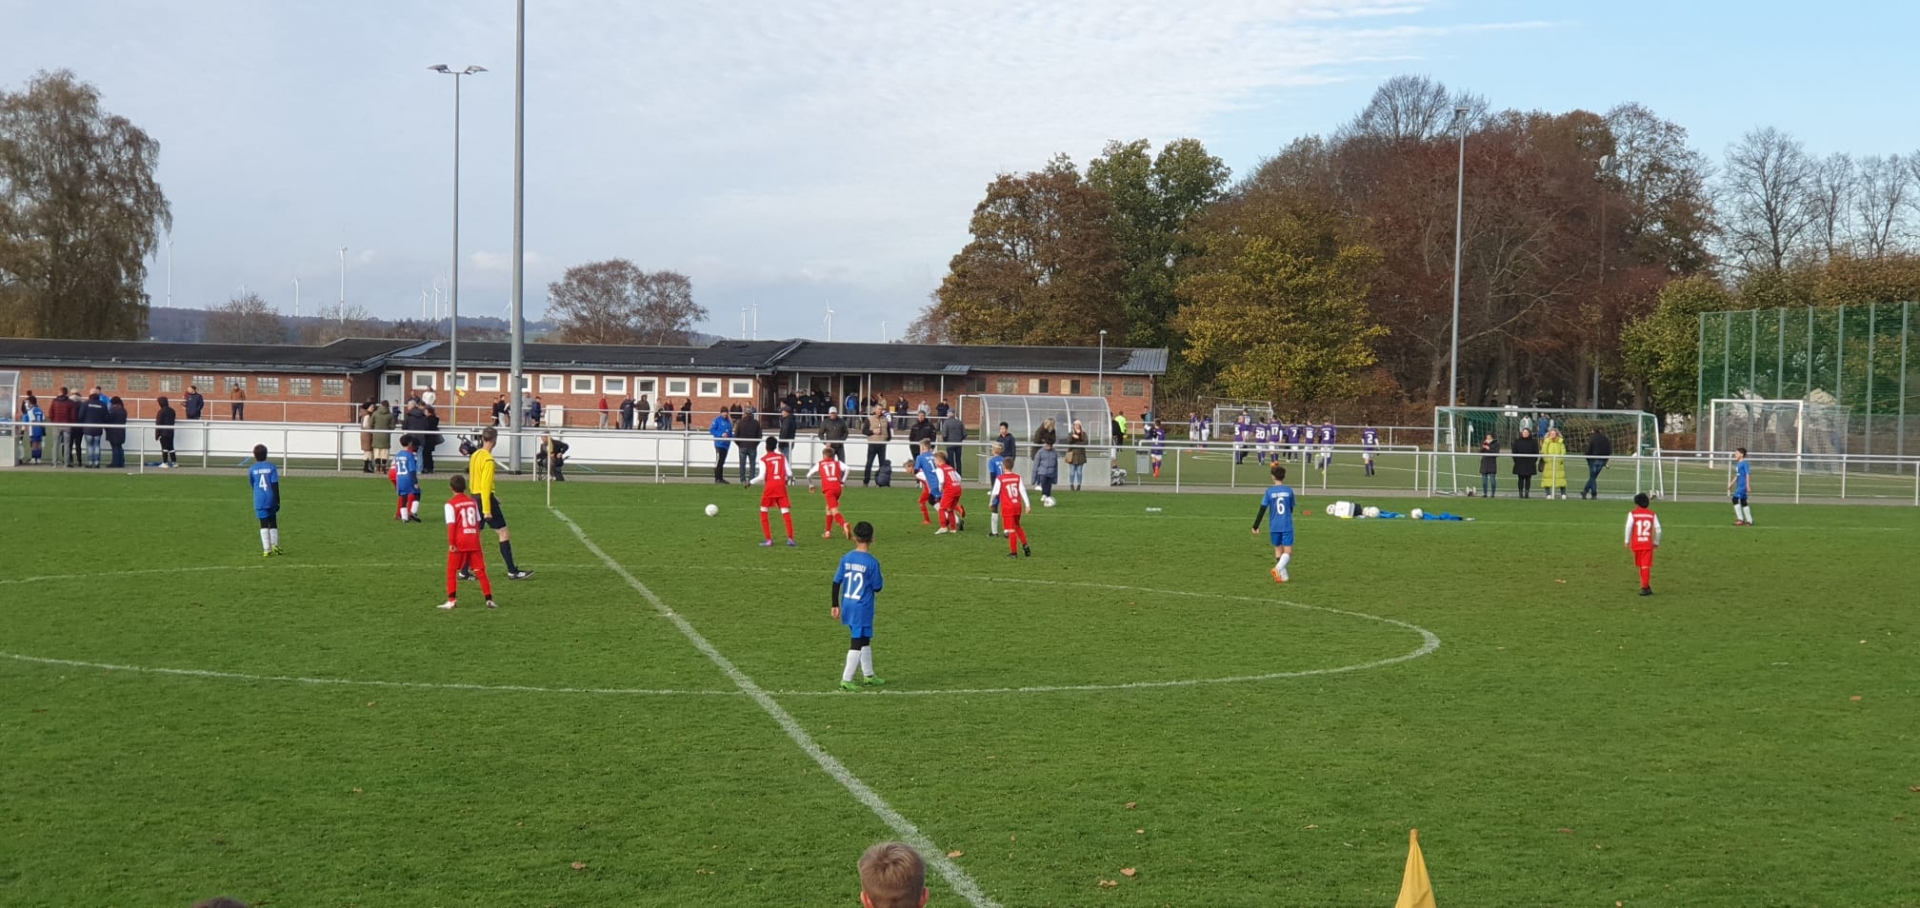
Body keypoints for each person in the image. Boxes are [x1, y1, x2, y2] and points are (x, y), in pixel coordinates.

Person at [468, 427, 533, 580]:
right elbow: (485, 486)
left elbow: (475, 480)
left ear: (482, 438)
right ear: (495, 441)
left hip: (474, 497)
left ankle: (464, 571)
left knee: (474, 535)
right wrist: (487, 509)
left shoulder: (475, 455)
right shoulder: (489, 460)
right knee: (503, 532)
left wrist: (491, 496)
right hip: (484, 499)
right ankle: (512, 571)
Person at [831, 522, 886, 691]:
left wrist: (835, 604)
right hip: (862, 607)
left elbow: (836, 581)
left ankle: (868, 675)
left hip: (848, 604)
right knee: (857, 642)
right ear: (872, 539)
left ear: (854, 538)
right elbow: (877, 587)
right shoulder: (872, 562)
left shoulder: (846, 558)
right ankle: (846, 679)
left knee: (864, 638)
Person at [439, 474, 498, 610]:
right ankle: (489, 599)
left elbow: (452, 525)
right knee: (480, 571)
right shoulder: (472, 502)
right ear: (465, 487)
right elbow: (477, 521)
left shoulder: (450, 504)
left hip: (460, 541)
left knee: (452, 570)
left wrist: (452, 543)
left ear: (451, 488)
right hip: (473, 539)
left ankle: (452, 600)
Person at [1250, 463, 1295, 583]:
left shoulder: (1269, 492)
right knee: (1288, 551)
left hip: (1274, 524)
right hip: (1286, 524)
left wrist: (1255, 526)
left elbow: (1262, 509)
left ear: (1273, 477)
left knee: (1278, 549)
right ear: (1284, 477)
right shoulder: (1289, 491)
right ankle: (1278, 568)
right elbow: (1291, 508)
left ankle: (1283, 575)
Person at [749, 436, 798, 547]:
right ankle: (790, 539)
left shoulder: (764, 459)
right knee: (785, 511)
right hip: (781, 486)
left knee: (763, 510)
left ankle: (768, 540)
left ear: (766, 446)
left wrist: (750, 482)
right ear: (775, 446)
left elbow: (761, 476)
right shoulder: (782, 457)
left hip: (770, 487)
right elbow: (789, 473)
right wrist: (784, 478)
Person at [808, 443, 852, 539]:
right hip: (838, 488)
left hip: (829, 489)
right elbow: (848, 469)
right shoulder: (837, 463)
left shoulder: (820, 463)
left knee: (834, 510)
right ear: (833, 456)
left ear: (824, 456)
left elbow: (809, 475)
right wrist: (843, 481)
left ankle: (844, 524)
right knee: (828, 508)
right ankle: (827, 532)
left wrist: (811, 485)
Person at [993, 451, 1032, 558]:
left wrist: (991, 502)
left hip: (1008, 506)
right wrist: (1027, 505)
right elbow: (1022, 491)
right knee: (1017, 526)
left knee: (1011, 530)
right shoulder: (1018, 477)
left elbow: (995, 492)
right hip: (1017, 506)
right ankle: (1025, 545)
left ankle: (1014, 552)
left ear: (1003, 466)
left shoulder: (1000, 478)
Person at [1624, 491, 1662, 596]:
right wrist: (1656, 542)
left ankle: (1646, 586)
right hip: (1647, 544)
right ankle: (1645, 587)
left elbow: (1628, 527)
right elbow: (1658, 529)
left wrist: (1627, 541)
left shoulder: (1632, 514)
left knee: (1641, 566)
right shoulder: (1652, 514)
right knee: (1645, 566)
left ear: (1636, 503)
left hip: (1636, 544)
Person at [248, 444, 283, 557]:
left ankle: (266, 549)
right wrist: (277, 500)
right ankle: (275, 545)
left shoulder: (252, 469)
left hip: (259, 499)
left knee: (263, 523)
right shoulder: (271, 467)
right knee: (272, 521)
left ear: (255, 455)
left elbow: (253, 484)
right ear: (266, 454)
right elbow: (275, 484)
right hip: (270, 497)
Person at [933, 450, 965, 534]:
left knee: (941, 508)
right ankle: (953, 529)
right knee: (950, 509)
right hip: (958, 489)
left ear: (939, 459)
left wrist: (940, 488)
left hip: (950, 490)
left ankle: (943, 527)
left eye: (935, 460)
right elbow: (959, 478)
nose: (935, 462)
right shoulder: (950, 467)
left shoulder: (939, 469)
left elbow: (941, 481)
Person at [392, 434, 422, 521]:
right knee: (417, 493)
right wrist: (415, 482)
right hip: (408, 478)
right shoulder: (409, 455)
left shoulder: (398, 454)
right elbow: (412, 470)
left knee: (403, 498)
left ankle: (404, 518)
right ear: (410, 443)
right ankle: (413, 512)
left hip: (400, 479)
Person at [912, 439, 941, 525]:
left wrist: (918, 472)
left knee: (933, 500)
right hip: (941, 480)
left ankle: (949, 519)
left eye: (920, 448)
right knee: (942, 500)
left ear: (923, 448)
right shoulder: (935, 456)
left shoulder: (920, 457)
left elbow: (916, 470)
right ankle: (955, 519)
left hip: (933, 483)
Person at [862, 404, 892, 486]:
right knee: (869, 463)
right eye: (878, 409)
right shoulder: (870, 419)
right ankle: (866, 482)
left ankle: (881, 482)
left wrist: (887, 438)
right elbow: (864, 431)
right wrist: (873, 432)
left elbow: (888, 432)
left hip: (882, 445)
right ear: (875, 410)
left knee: (882, 465)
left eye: (881, 409)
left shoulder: (885, 419)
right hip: (873, 444)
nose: (880, 411)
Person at [732, 406, 762, 482]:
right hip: (752, 446)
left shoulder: (740, 422)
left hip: (742, 446)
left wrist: (739, 444)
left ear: (744, 413)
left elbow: (735, 436)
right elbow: (759, 436)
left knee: (742, 464)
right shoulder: (756, 423)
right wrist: (755, 444)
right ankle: (751, 479)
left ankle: (742, 479)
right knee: (752, 464)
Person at [1581, 427, 1612, 499]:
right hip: (1602, 460)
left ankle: (1588, 492)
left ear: (1593, 430)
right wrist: (1606, 460)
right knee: (1593, 477)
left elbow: (1588, 449)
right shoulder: (1605, 438)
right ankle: (1591, 493)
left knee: (1592, 477)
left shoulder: (1592, 438)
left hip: (1593, 459)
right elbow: (1609, 449)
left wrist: (1587, 458)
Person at [48, 388, 76, 467]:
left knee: (55, 444)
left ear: (60, 392)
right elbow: (73, 415)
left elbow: (51, 413)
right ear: (66, 393)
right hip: (67, 424)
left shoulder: (54, 401)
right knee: (67, 444)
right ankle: (66, 463)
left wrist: (53, 421)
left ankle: (54, 462)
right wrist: (71, 422)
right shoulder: (70, 402)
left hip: (56, 424)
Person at [1510, 426, 1539, 499]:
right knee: (1520, 479)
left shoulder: (1533, 442)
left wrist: (1533, 461)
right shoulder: (1517, 441)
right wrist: (1516, 460)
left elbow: (1536, 453)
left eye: (1526, 432)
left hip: (1530, 463)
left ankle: (1527, 493)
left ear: (1529, 433)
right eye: (1524, 432)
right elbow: (1514, 452)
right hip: (1520, 463)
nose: (1525, 433)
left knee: (1528, 479)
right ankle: (1520, 493)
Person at [81, 388, 108, 468]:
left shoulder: (85, 403)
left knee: (89, 446)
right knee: (97, 445)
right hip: (98, 428)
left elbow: (81, 415)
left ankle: (90, 462)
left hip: (88, 428)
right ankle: (97, 462)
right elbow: (106, 417)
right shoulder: (102, 404)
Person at [1728, 447, 1754, 526]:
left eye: (1737, 453)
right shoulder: (1738, 464)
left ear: (1742, 455)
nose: (1735, 455)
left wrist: (1747, 485)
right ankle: (1749, 520)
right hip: (1739, 485)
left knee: (1735, 499)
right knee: (1743, 501)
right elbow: (1737, 475)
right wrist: (1731, 484)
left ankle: (1740, 519)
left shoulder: (1744, 463)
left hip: (1743, 485)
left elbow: (1747, 474)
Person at [1540, 428, 1567, 499]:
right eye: (1551, 433)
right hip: (1549, 464)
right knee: (1547, 479)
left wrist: (1560, 460)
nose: (1553, 435)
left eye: (1554, 434)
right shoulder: (1546, 442)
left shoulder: (1560, 442)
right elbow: (1544, 451)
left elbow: (1563, 452)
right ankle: (1548, 494)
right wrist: (1547, 460)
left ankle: (1563, 494)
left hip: (1558, 464)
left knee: (1561, 479)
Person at [710, 409, 734, 484]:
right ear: (721, 413)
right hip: (719, 444)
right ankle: (717, 478)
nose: (725, 414)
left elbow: (730, 433)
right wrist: (721, 434)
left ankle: (720, 478)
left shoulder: (729, 422)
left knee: (722, 462)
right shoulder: (717, 420)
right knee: (718, 461)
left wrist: (734, 436)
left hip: (726, 445)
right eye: (724, 412)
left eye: (726, 412)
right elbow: (712, 430)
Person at [940, 412, 967, 477]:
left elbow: (944, 434)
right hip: (958, 444)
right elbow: (964, 434)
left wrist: (945, 441)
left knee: (950, 459)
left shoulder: (946, 423)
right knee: (958, 459)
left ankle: (952, 473)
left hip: (950, 444)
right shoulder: (959, 422)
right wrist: (960, 439)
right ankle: (959, 474)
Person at [1033, 440, 1061, 504]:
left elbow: (1055, 465)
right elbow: (1036, 464)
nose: (1048, 447)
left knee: (1049, 486)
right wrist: (1034, 478)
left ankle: (1048, 497)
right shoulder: (1040, 452)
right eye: (1047, 445)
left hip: (1051, 472)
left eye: (1049, 446)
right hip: (1042, 471)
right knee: (1043, 482)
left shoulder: (1054, 452)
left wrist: (1055, 476)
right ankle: (1044, 494)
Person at [371, 400, 394, 472]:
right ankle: (383, 467)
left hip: (376, 435)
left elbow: (371, 424)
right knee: (385, 452)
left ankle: (377, 467)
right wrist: (388, 430)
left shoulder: (375, 414)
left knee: (377, 452)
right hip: (386, 435)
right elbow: (393, 426)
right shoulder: (390, 415)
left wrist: (374, 429)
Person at [1065, 420, 1088, 491]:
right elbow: (1068, 442)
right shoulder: (1071, 434)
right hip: (1071, 455)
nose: (1077, 426)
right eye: (1075, 425)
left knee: (1079, 471)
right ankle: (1071, 484)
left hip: (1080, 455)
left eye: (1078, 425)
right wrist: (1073, 437)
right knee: (1072, 471)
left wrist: (1077, 441)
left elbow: (1085, 442)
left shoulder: (1083, 434)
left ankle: (1079, 484)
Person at [105, 396, 128, 468]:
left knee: (115, 448)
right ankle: (121, 462)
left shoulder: (113, 410)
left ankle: (115, 463)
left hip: (113, 432)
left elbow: (108, 420)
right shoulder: (123, 410)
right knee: (119, 447)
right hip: (121, 431)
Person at [22, 394, 45, 464]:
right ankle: (39, 458)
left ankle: (34, 458)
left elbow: (32, 420)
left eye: (27, 402)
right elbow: (43, 419)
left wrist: (26, 428)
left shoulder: (31, 411)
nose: (27, 404)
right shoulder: (40, 409)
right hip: (40, 428)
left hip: (33, 429)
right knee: (39, 443)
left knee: (34, 443)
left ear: (30, 402)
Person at [1477, 433, 1500, 497]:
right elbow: (1479, 452)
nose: (1488, 438)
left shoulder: (1496, 444)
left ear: (1492, 437)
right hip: (1484, 464)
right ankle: (1485, 493)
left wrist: (1489, 448)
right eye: (1487, 437)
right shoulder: (1484, 443)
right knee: (1484, 481)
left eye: (1489, 437)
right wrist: (1483, 447)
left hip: (1492, 464)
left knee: (1492, 481)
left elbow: (1496, 454)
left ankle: (1493, 494)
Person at [359, 403, 376, 473]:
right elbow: (366, 426)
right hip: (367, 436)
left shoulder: (364, 415)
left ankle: (366, 467)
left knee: (367, 452)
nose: (373, 408)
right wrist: (373, 430)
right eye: (371, 407)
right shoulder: (367, 416)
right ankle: (366, 467)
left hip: (364, 435)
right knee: (368, 452)